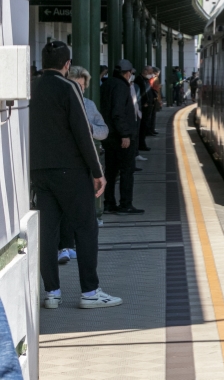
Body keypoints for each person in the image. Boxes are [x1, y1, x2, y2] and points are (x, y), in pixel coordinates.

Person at [30, 41, 122, 309]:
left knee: (47, 232)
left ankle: (52, 293)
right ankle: (90, 292)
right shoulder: (68, 87)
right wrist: (97, 171)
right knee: (86, 228)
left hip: (39, 171)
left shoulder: (32, 87)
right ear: (67, 65)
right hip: (70, 170)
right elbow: (83, 132)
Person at [59, 66, 109, 264]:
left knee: (81, 209)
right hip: (64, 162)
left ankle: (71, 246)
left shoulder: (88, 105)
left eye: (81, 86)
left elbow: (103, 130)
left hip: (85, 163)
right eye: (74, 85)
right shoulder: (60, 103)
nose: (78, 89)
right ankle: (64, 245)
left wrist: (88, 129)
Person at [101, 60, 144, 215]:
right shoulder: (122, 87)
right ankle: (125, 204)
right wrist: (125, 134)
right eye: (131, 73)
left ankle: (109, 203)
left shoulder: (107, 84)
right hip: (120, 137)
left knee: (111, 171)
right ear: (126, 73)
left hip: (109, 136)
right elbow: (118, 113)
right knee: (126, 171)